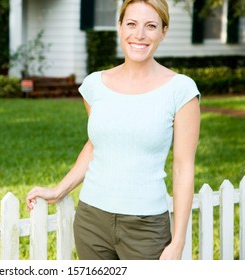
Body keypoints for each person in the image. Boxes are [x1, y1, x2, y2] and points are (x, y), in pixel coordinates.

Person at [26, 0, 200, 260]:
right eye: (131, 24)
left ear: (164, 31)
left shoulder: (181, 91)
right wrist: (58, 190)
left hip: (146, 227)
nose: (139, 34)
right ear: (119, 27)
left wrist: (178, 242)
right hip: (90, 221)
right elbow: (96, 145)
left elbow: (183, 167)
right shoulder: (95, 84)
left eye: (150, 26)